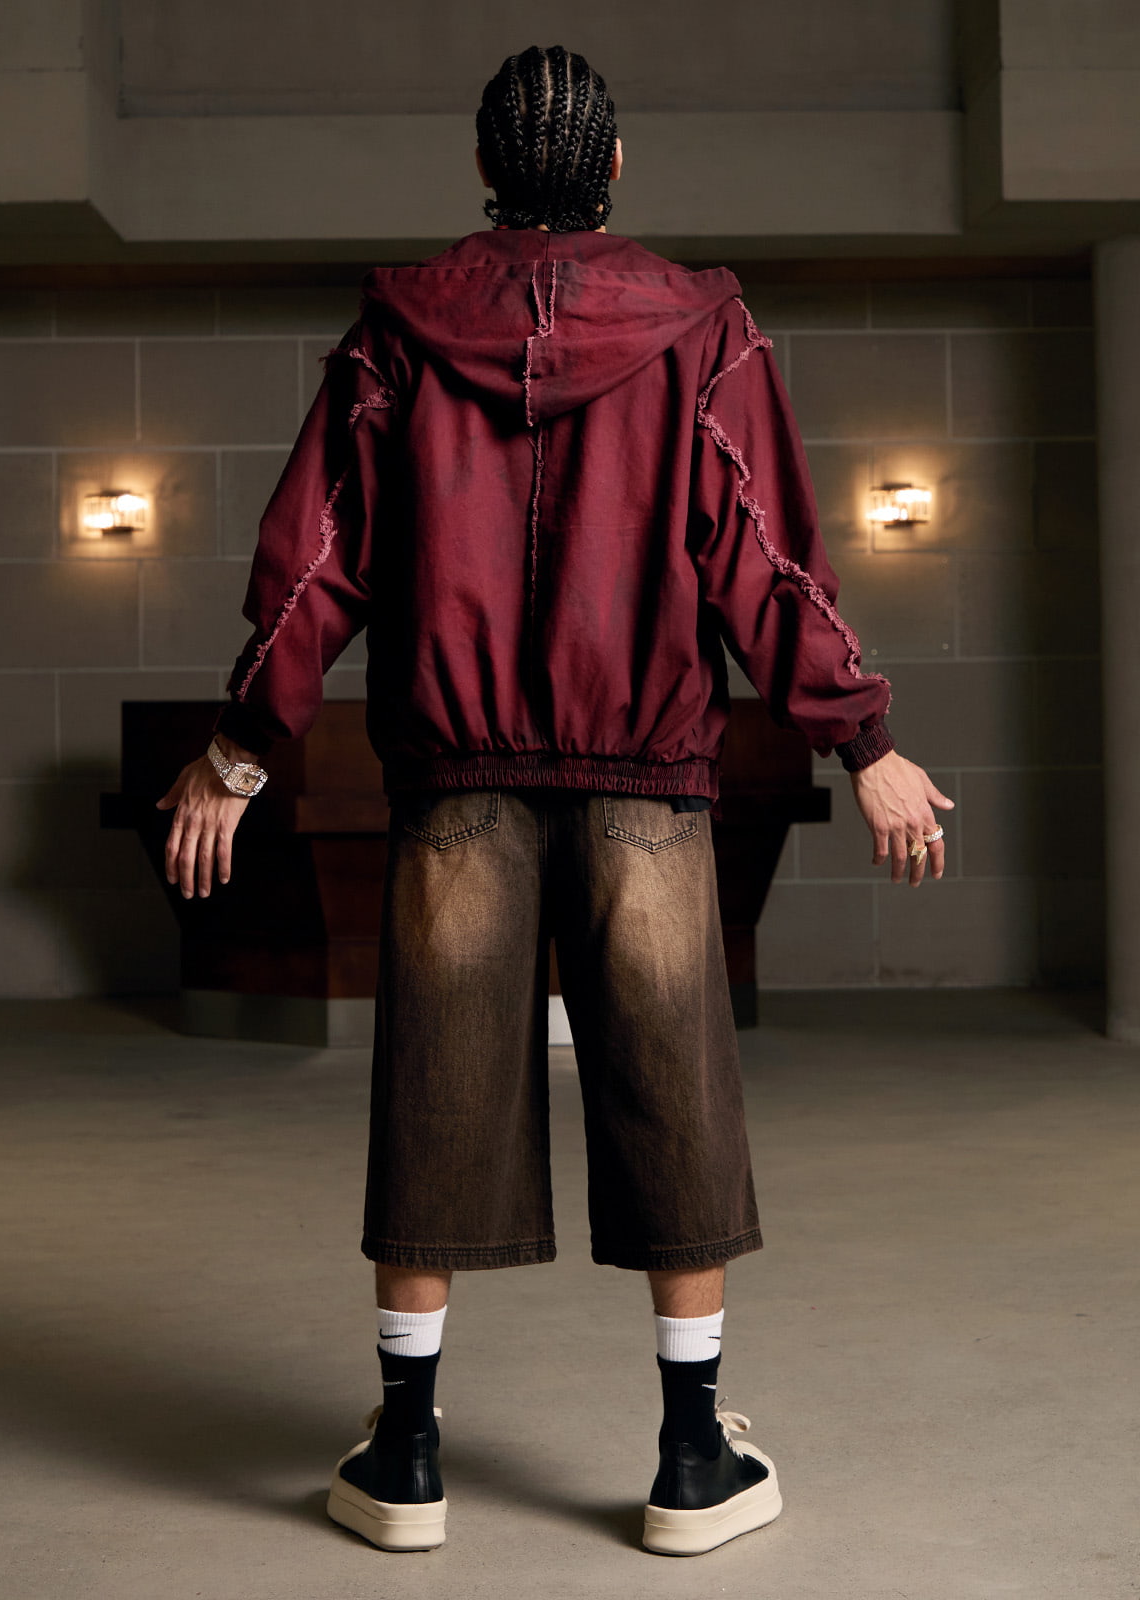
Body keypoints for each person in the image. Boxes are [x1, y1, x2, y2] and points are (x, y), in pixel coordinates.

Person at [156, 43, 954, 1557]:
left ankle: (406, 1455)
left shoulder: (397, 332)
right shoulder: (700, 329)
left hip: (458, 779)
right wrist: (866, 742)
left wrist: (240, 753)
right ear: (616, 168)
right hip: (645, 776)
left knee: (434, 1090)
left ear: (482, 171)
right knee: (675, 1093)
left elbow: (316, 557)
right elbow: (764, 553)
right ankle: (689, 1458)